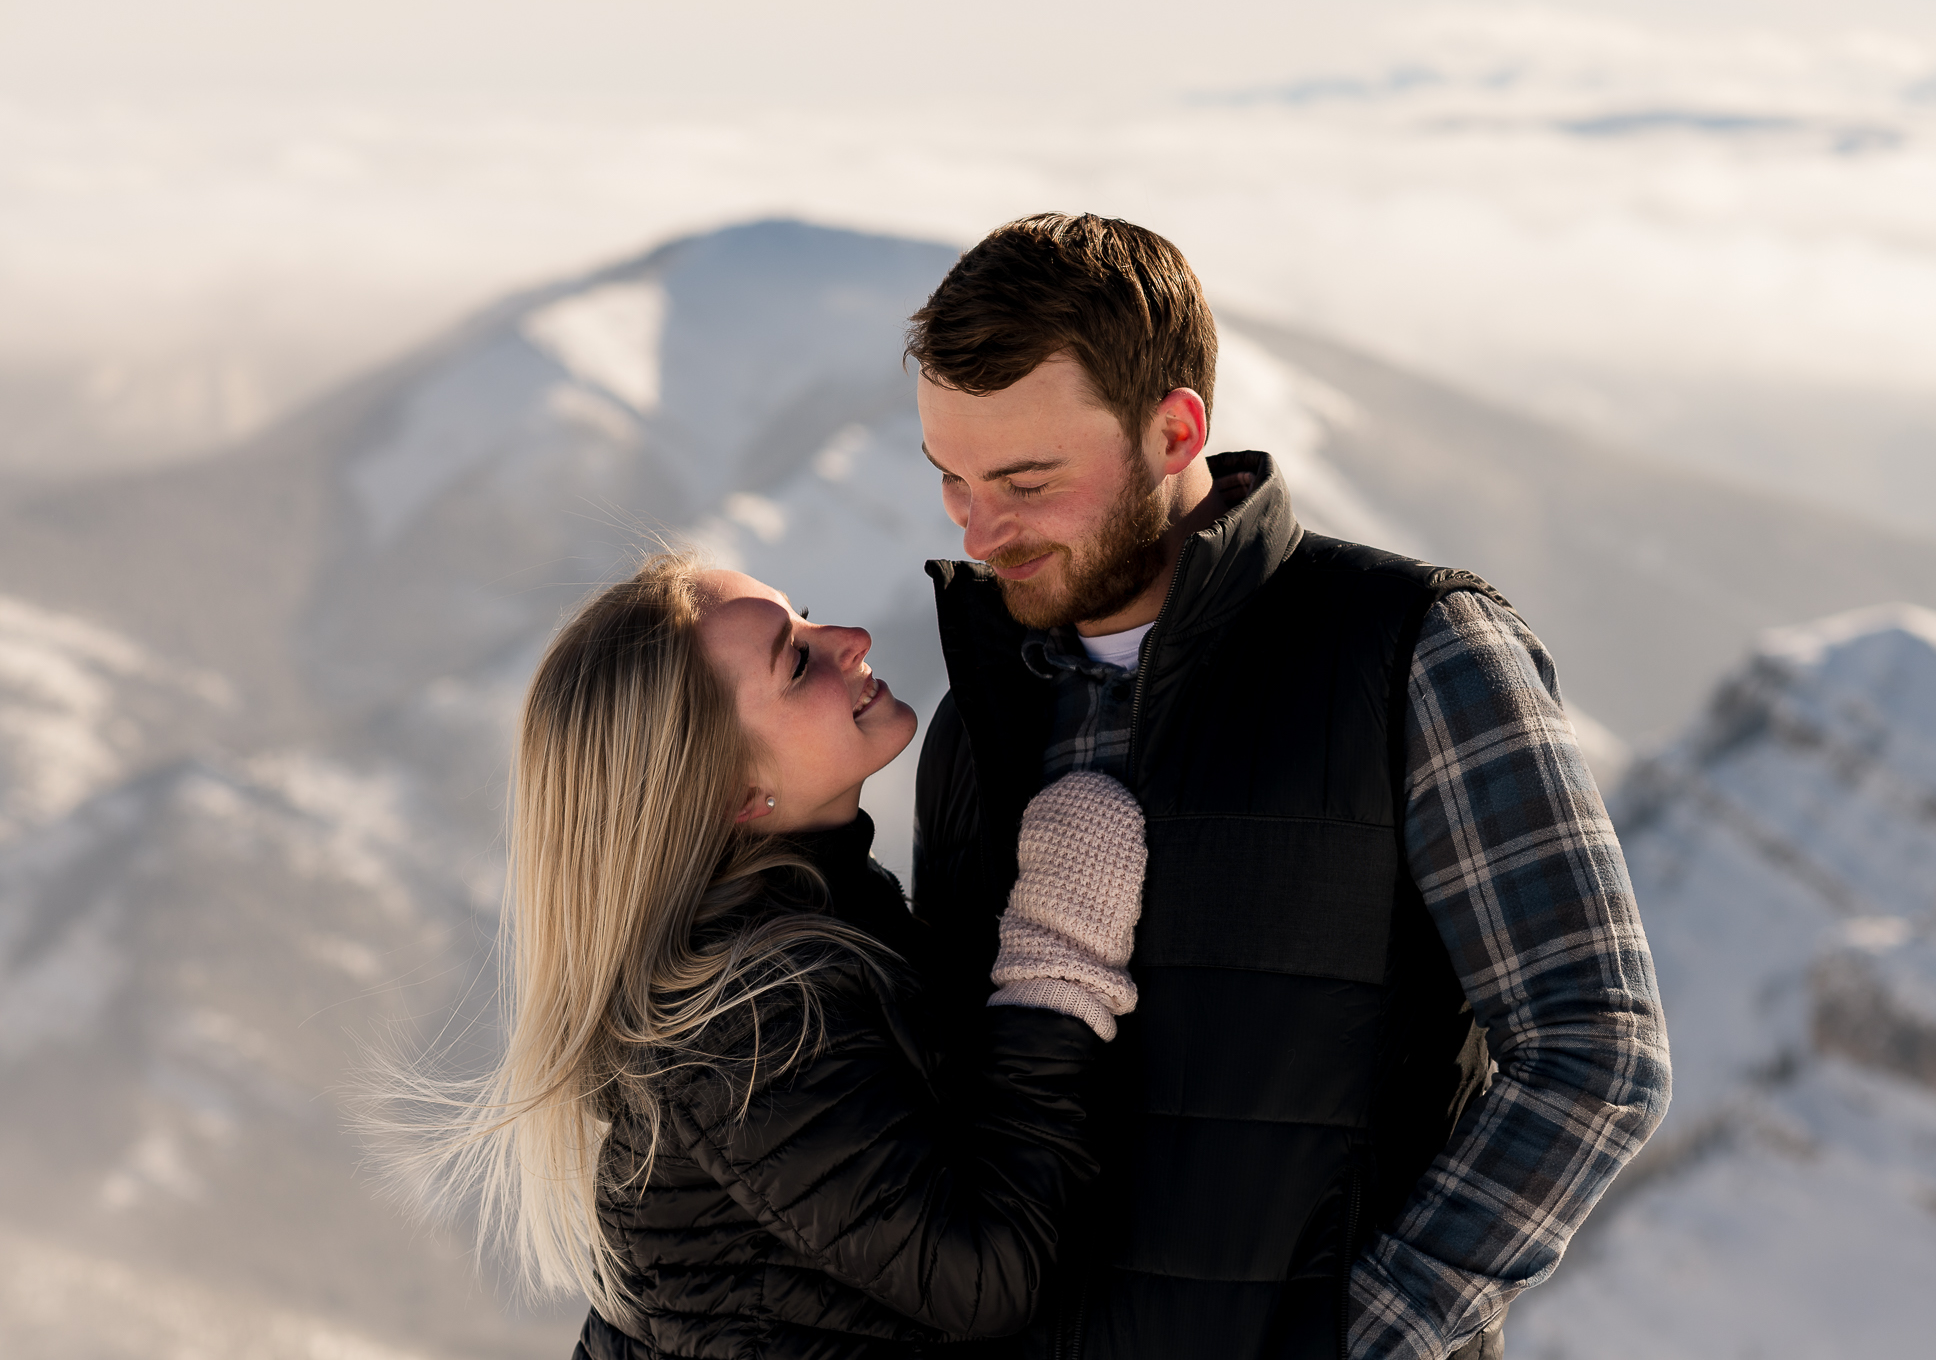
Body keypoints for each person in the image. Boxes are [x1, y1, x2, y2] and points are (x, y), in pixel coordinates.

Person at [906, 214, 1673, 1360]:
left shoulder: (1411, 649)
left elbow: (1592, 1047)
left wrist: (1349, 1345)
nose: (980, 529)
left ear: (1173, 431)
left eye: (1023, 479)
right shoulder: (982, 718)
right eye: (952, 480)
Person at [380, 553, 1151, 1360]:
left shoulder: (815, 918)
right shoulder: (750, 1024)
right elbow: (984, 1275)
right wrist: (1055, 967)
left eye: (807, 614)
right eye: (796, 660)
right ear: (737, 794)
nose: (851, 638)